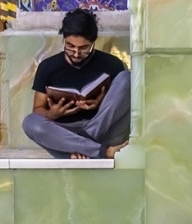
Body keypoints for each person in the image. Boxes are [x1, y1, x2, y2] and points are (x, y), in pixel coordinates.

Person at [22, 8, 130, 159]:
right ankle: (101, 152)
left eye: (83, 48)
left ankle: (80, 149)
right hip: (65, 135)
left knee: (127, 78)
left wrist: (101, 103)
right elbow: (37, 110)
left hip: (103, 131)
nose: (76, 53)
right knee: (30, 123)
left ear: (93, 42)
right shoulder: (48, 67)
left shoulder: (111, 64)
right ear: (63, 39)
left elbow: (120, 103)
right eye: (70, 46)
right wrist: (51, 114)